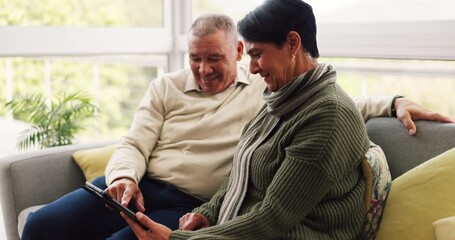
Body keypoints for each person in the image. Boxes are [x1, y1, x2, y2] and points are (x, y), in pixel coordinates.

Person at [22, 11, 453, 240]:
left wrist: (395, 101)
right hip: (138, 187)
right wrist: (123, 178)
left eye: (215, 58)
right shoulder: (165, 87)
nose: (204, 69)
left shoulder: (269, 90)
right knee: (41, 226)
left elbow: (338, 107)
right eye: (195, 58)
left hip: (190, 200)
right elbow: (133, 142)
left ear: (239, 50)